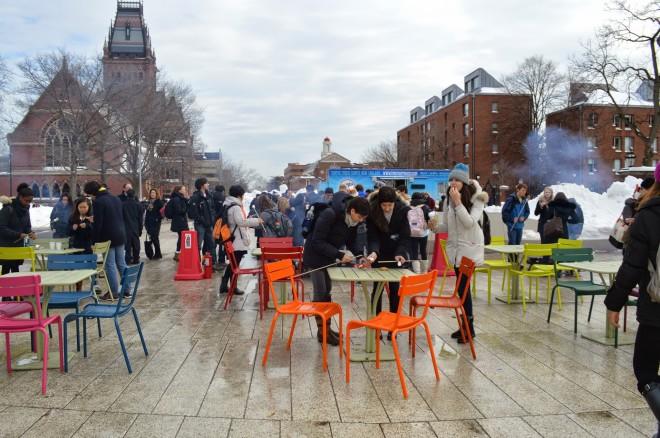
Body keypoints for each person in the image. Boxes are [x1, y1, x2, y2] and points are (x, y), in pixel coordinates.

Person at [605, 166, 660, 437]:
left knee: (646, 372)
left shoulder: (649, 216)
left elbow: (632, 266)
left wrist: (614, 303)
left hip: (655, 310)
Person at [430, 163, 488, 343]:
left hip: (470, 248)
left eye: (457, 180)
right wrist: (434, 227)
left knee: (463, 289)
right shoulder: (449, 198)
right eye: (451, 180)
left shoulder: (477, 198)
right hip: (456, 250)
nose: (453, 183)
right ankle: (464, 326)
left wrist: (458, 203)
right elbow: (448, 226)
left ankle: (469, 329)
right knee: (461, 288)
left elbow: (470, 222)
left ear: (464, 181)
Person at [303, 193, 370, 345]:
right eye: (359, 217)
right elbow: (317, 242)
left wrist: (360, 256)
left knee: (327, 291)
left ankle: (327, 329)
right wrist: (339, 254)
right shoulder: (330, 215)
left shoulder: (352, 222)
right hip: (315, 258)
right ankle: (323, 332)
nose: (360, 221)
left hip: (328, 258)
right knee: (320, 295)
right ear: (352, 211)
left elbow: (351, 242)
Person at [365, 186, 411, 327]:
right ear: (379, 203)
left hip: (395, 253)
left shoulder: (402, 210)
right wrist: (373, 252)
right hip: (378, 255)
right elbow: (372, 237)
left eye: (389, 205)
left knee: (394, 289)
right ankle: (376, 323)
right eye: (384, 205)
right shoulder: (372, 211)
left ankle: (393, 324)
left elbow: (405, 236)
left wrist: (401, 253)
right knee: (377, 288)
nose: (386, 208)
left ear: (394, 203)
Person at [83, 181, 126, 300]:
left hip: (107, 236)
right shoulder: (116, 198)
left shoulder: (99, 202)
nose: (90, 197)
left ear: (93, 193)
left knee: (109, 265)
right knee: (121, 263)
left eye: (89, 195)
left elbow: (99, 224)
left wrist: (94, 241)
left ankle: (113, 292)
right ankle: (127, 290)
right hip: (120, 234)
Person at [219, 185, 263, 295]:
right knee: (235, 265)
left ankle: (224, 285)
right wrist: (256, 221)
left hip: (231, 238)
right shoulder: (236, 207)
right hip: (236, 240)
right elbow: (241, 222)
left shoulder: (228, 204)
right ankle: (233, 287)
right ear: (239, 195)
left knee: (233, 264)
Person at [0, 187, 36, 275]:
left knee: (16, 269)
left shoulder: (26, 210)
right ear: (20, 197)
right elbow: (1, 228)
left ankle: (16, 288)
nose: (28, 203)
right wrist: (18, 234)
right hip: (6, 246)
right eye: (26, 200)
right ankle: (4, 288)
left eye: (30, 201)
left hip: (18, 245)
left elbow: (27, 226)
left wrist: (30, 232)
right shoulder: (8, 209)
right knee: (6, 269)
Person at [188, 177, 217, 267]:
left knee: (211, 244)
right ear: (202, 185)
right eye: (206, 183)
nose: (208, 184)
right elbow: (193, 213)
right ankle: (196, 264)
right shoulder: (195, 197)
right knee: (198, 245)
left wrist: (212, 219)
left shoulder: (209, 196)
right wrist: (202, 220)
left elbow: (212, 209)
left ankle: (212, 263)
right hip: (200, 225)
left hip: (209, 225)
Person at [410, 192, 431, 273]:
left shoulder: (408, 207)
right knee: (423, 251)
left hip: (412, 233)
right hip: (423, 233)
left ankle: (416, 272)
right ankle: (424, 271)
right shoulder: (425, 207)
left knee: (414, 252)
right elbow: (431, 217)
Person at [122, 189, 143, 265]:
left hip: (126, 228)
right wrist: (140, 230)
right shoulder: (138, 205)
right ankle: (136, 259)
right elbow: (140, 219)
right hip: (135, 228)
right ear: (134, 195)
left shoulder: (123, 204)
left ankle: (127, 260)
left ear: (127, 195)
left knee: (127, 246)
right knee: (136, 245)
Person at [169, 185, 189, 261]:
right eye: (184, 189)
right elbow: (179, 210)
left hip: (180, 221)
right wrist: (186, 208)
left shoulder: (180, 198)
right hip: (179, 222)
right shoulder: (177, 199)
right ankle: (178, 254)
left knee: (181, 237)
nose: (185, 190)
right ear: (179, 191)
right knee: (182, 237)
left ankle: (179, 253)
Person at [144, 189, 164, 260]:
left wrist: (158, 219)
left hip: (156, 223)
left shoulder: (159, 202)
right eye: (151, 193)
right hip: (149, 223)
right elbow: (148, 213)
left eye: (154, 193)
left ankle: (158, 254)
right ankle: (156, 253)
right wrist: (145, 222)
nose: (152, 194)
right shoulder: (149, 202)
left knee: (155, 238)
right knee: (153, 238)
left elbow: (162, 213)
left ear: (156, 194)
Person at [212, 185, 226, 267]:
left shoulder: (210, 195)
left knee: (212, 241)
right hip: (220, 221)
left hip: (212, 221)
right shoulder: (222, 197)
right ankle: (221, 260)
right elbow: (222, 210)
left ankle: (211, 259)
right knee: (222, 241)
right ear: (222, 191)